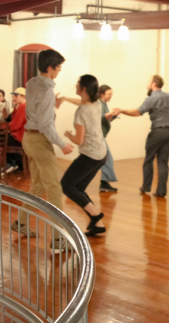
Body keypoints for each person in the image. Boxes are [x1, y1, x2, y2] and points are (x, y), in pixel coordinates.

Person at [10, 49, 73, 254]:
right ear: (49, 67)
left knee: (38, 185)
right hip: (39, 139)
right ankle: (58, 239)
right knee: (54, 188)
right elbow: (46, 125)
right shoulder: (46, 91)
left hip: (29, 139)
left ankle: (20, 223)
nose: (60, 71)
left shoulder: (31, 83)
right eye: (58, 67)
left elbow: (38, 112)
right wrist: (62, 143)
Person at [110, 75, 169, 197]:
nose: (147, 84)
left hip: (158, 131)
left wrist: (122, 111)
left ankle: (146, 187)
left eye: (148, 82)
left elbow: (138, 112)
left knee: (149, 159)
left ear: (154, 84)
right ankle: (161, 191)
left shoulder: (151, 98)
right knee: (163, 161)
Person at [59, 75, 108, 236]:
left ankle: (96, 215)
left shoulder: (81, 112)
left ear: (84, 89)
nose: (76, 86)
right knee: (78, 188)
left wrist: (67, 135)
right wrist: (65, 98)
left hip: (90, 155)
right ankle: (98, 225)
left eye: (78, 84)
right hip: (101, 154)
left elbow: (79, 140)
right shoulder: (97, 103)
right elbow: (82, 102)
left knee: (66, 185)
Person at [99, 85, 118, 192]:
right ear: (102, 94)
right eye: (109, 94)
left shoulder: (104, 104)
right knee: (107, 159)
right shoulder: (98, 104)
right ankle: (104, 183)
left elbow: (105, 118)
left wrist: (113, 115)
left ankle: (104, 183)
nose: (111, 96)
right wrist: (109, 114)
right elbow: (100, 117)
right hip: (97, 137)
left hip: (100, 137)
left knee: (104, 159)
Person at [6, 87, 27, 172]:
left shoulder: (23, 107)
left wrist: (3, 126)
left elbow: (15, 125)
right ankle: (15, 163)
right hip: (23, 136)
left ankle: (9, 164)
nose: (13, 98)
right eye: (13, 96)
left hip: (20, 137)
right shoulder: (20, 107)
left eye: (16, 96)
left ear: (23, 96)